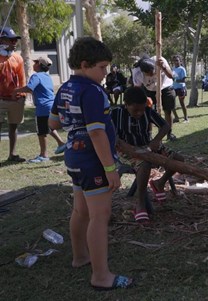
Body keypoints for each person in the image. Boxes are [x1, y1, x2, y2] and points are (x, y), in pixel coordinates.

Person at [48, 37, 133, 290]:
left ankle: (80, 256)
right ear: (85, 65)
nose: (106, 73)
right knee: (100, 215)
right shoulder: (93, 91)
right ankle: (101, 276)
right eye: (102, 67)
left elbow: (53, 123)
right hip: (93, 160)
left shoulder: (65, 88)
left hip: (74, 157)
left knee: (82, 211)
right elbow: (97, 133)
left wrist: (74, 124)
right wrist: (110, 169)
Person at [111, 87, 185, 222]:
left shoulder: (148, 111)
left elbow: (165, 126)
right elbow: (112, 137)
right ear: (126, 104)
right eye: (135, 110)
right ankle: (140, 204)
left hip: (148, 146)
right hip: (125, 150)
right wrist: (128, 148)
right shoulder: (116, 114)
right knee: (144, 164)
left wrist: (156, 141)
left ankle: (159, 183)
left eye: (142, 109)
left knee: (179, 160)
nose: (140, 113)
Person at [12, 56, 66, 163]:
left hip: (42, 107)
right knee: (48, 127)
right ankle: (61, 143)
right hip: (51, 106)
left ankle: (43, 155)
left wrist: (16, 91)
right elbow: (41, 90)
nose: (33, 64)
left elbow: (29, 88)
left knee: (41, 132)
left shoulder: (35, 76)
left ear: (39, 65)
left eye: (35, 62)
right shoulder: (47, 77)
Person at [131, 55, 177, 141]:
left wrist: (163, 67)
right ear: (143, 72)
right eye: (149, 74)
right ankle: (149, 135)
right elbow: (137, 88)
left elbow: (171, 76)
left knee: (168, 110)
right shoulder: (137, 72)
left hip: (166, 87)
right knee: (149, 113)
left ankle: (169, 133)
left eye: (153, 72)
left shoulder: (159, 60)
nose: (152, 75)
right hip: (150, 90)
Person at [0, 26, 26, 163]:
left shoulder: (18, 58)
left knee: (13, 127)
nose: (14, 42)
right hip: (0, 99)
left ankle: (12, 154)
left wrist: (22, 95)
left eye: (15, 40)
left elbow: (21, 79)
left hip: (15, 99)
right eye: (11, 40)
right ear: (2, 40)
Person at [171, 55, 189, 123]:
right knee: (171, 103)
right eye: (175, 61)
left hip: (181, 88)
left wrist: (175, 80)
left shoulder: (182, 69)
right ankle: (176, 117)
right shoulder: (172, 68)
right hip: (174, 88)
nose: (176, 62)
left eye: (177, 60)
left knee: (182, 103)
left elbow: (183, 80)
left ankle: (186, 118)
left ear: (180, 61)